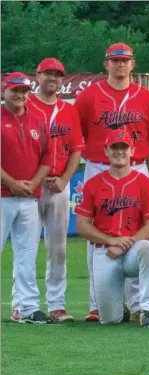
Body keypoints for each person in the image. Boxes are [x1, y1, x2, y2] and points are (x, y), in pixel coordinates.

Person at [74, 42, 149, 321]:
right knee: (95, 237)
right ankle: (96, 303)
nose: (120, 65)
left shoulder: (145, 96)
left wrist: (132, 157)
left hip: (135, 165)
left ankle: (138, 305)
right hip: (98, 165)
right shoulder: (89, 95)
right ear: (106, 64)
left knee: (141, 236)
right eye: (115, 60)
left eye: (124, 60)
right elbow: (78, 133)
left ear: (132, 64)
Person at [14, 58, 84, 323]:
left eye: (57, 74)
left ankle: (57, 304)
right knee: (26, 247)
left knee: (58, 247)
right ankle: (21, 303)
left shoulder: (69, 110)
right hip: (30, 187)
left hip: (58, 185)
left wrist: (66, 179)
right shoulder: (25, 105)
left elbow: (77, 148)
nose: (53, 78)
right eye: (48, 74)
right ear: (37, 76)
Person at [75, 130, 149, 327]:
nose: (119, 152)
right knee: (110, 320)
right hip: (105, 252)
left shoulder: (144, 183)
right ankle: (119, 308)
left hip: (132, 250)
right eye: (115, 147)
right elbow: (81, 226)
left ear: (132, 150)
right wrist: (110, 241)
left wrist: (124, 244)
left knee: (148, 249)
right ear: (106, 150)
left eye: (124, 147)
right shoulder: (93, 184)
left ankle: (148, 309)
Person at [1, 72, 55, 324]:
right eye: (15, 90)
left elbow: (47, 158)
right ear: (5, 91)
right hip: (2, 195)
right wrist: (11, 183)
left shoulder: (38, 120)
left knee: (27, 255)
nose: (20, 95)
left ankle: (27, 308)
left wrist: (32, 184)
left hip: (30, 197)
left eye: (23, 91)